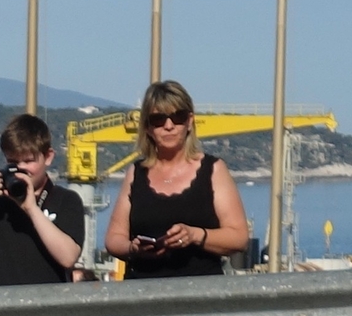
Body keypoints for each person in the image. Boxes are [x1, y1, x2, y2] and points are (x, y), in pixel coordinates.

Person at [105, 80, 251, 278]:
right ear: (147, 127)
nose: (169, 126)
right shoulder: (135, 173)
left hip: (200, 292)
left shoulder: (214, 170)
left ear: (189, 122)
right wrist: (133, 248)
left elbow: (239, 237)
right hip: (143, 292)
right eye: (158, 119)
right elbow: (114, 238)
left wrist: (195, 235)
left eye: (177, 117)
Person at [0, 114, 87, 287]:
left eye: (28, 161)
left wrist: (32, 209)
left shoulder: (66, 200)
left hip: (46, 306)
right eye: (13, 162)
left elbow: (68, 258)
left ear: (48, 157)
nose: (21, 169)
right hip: (0, 305)